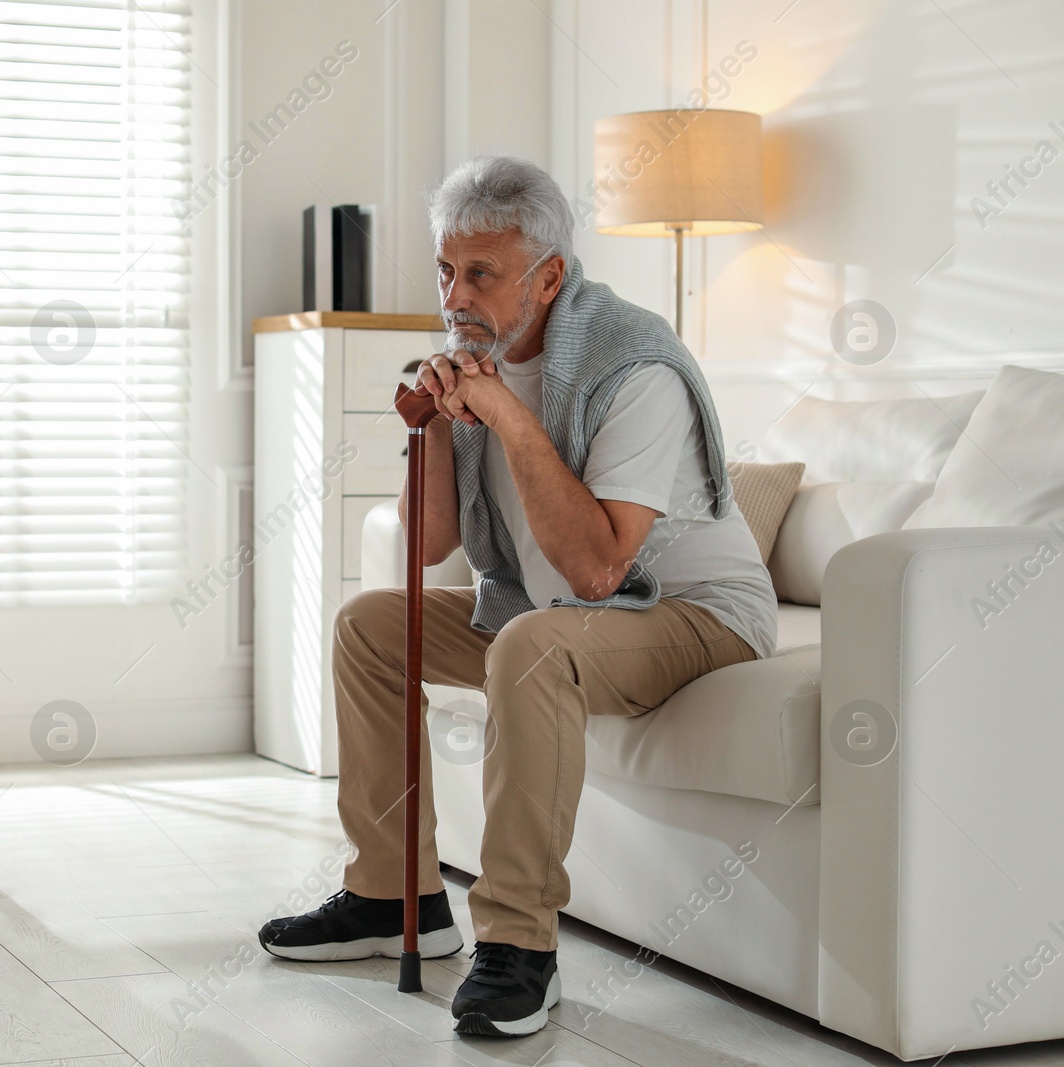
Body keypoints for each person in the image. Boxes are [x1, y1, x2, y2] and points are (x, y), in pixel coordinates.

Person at [257, 155, 777, 1038]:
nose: (457, 296)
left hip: (689, 613)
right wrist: (425, 425)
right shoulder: (473, 355)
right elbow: (425, 547)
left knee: (532, 643)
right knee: (369, 625)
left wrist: (505, 414)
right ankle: (394, 900)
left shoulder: (635, 367)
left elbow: (599, 572)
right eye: (447, 272)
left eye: (483, 275)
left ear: (549, 278)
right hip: (564, 613)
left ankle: (519, 947)